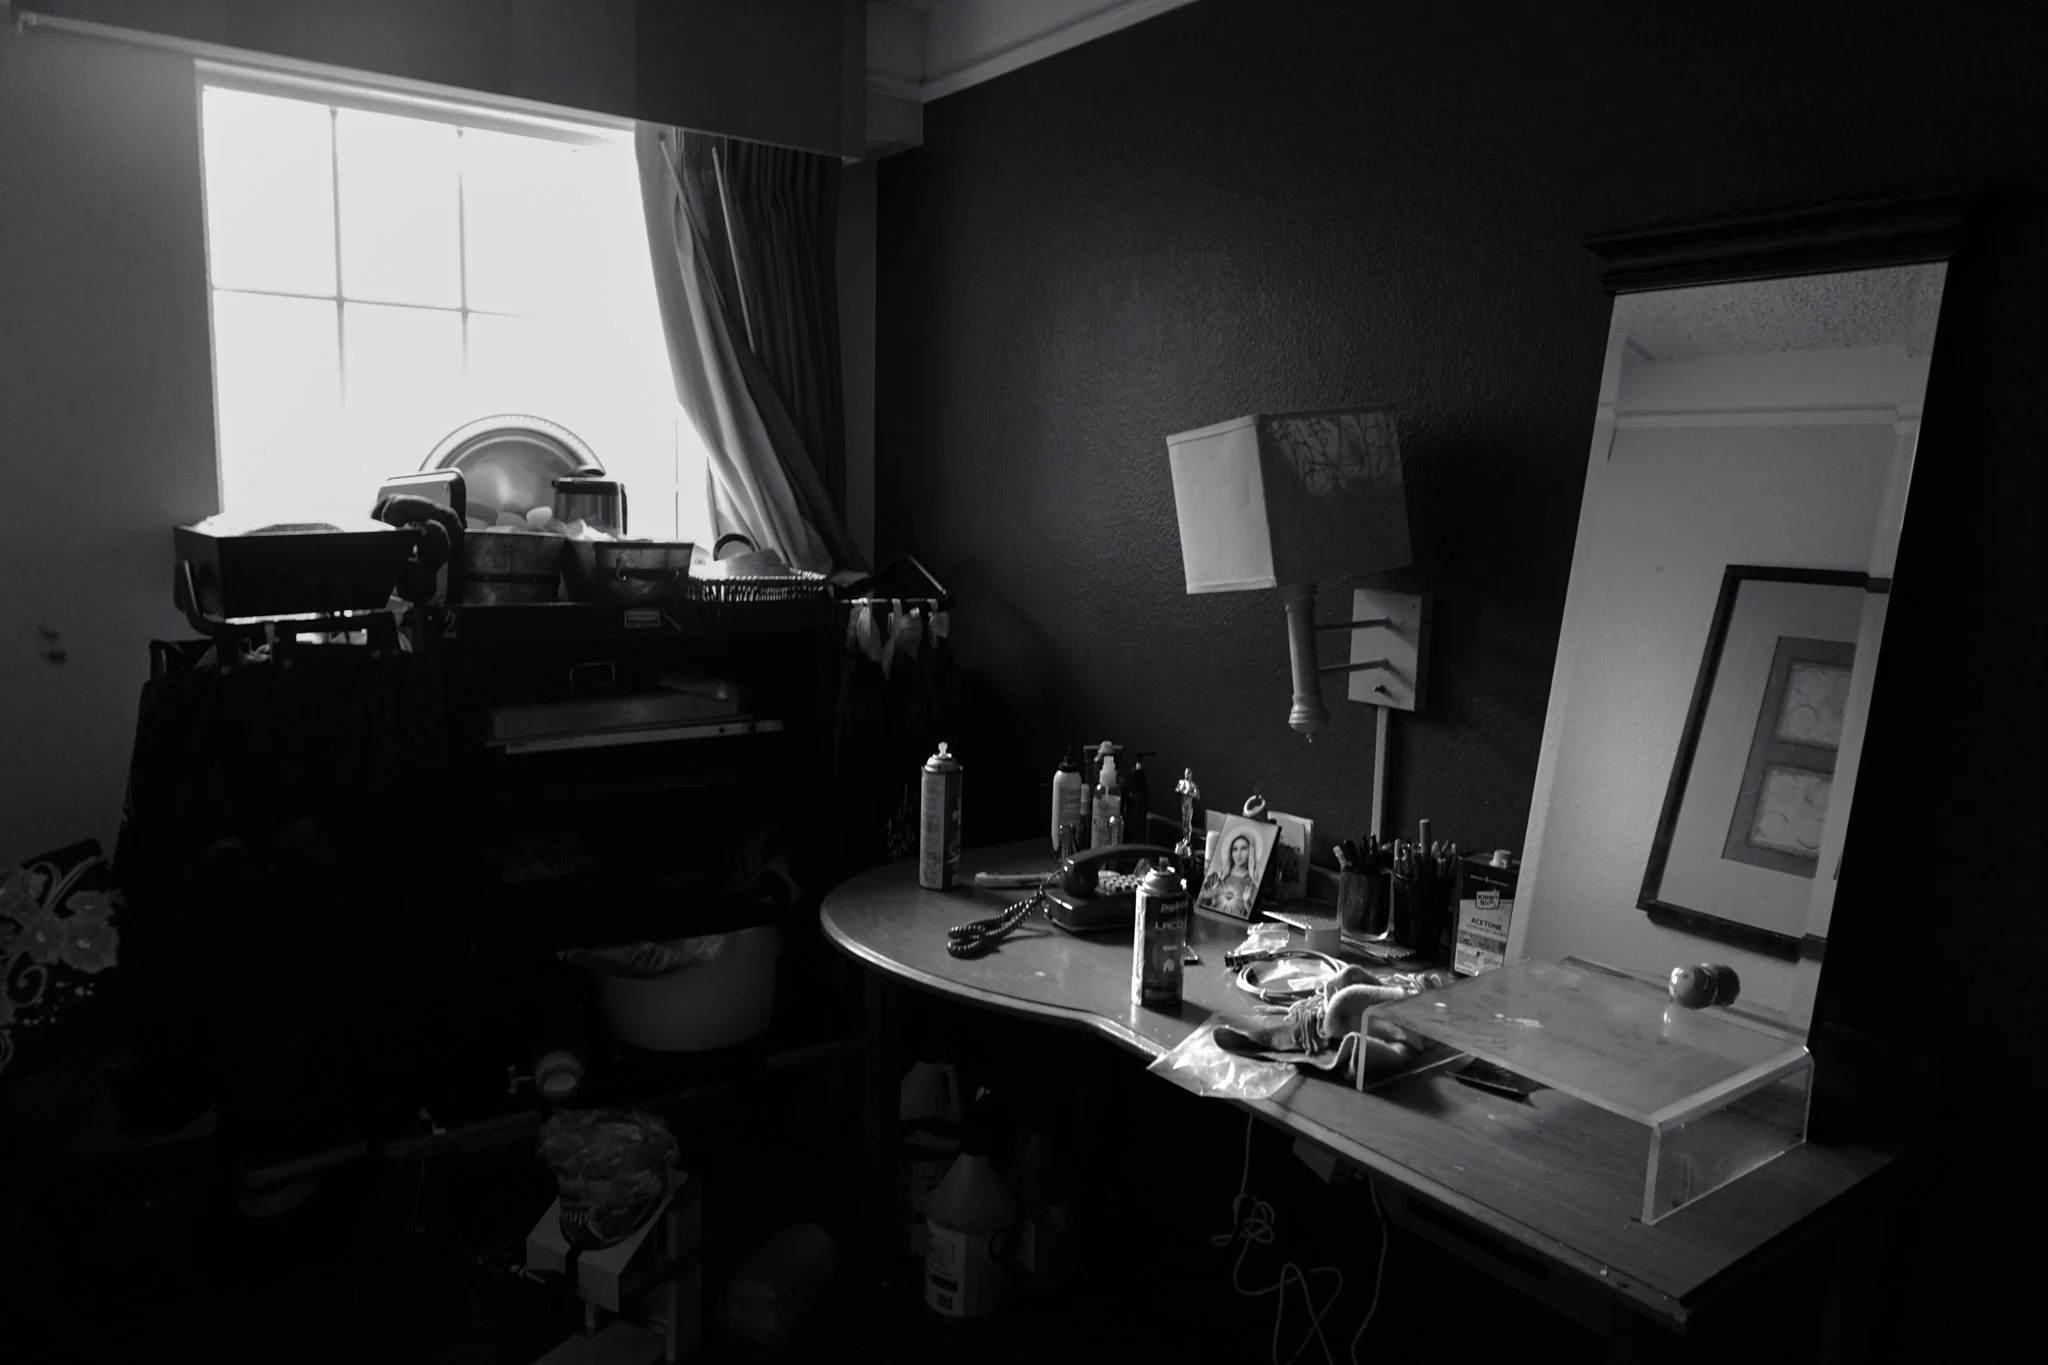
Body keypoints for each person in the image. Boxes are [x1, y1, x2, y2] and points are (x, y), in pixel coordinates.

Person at [1198, 832, 1259, 918]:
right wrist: (1208, 894)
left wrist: (1246, 901)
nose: (1239, 854)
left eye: (1243, 849)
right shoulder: (1217, 876)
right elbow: (1199, 901)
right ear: (1231, 853)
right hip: (1210, 919)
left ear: (1250, 852)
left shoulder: (1251, 884)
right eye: (1235, 849)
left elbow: (1253, 918)